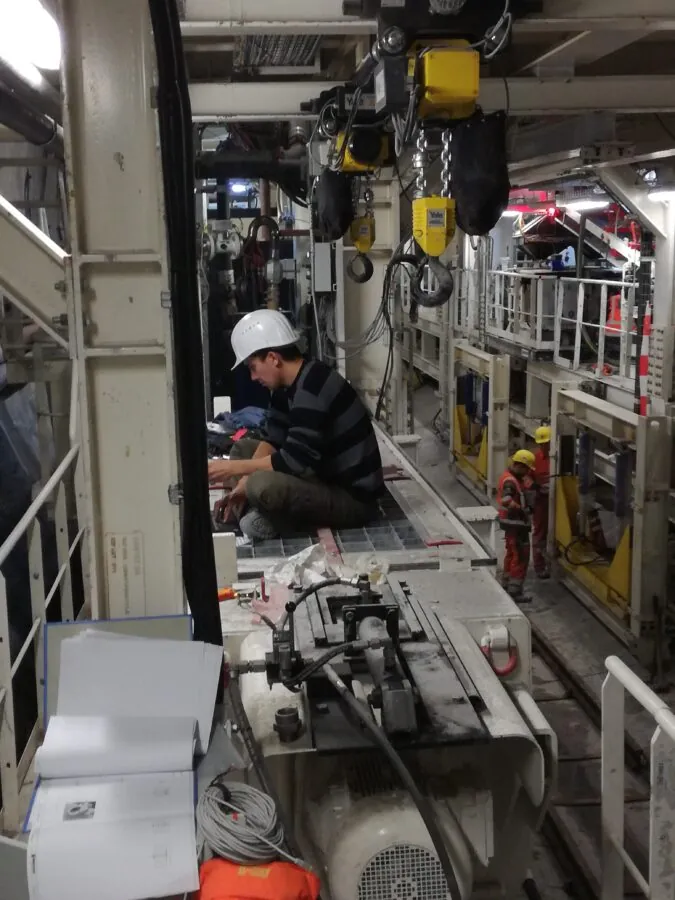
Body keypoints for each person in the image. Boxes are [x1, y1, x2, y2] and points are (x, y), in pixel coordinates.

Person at [208, 309, 384, 540]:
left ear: (273, 358)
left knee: (260, 484)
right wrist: (242, 480)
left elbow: (293, 461)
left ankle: (274, 518)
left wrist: (233, 470)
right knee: (242, 449)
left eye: (253, 367)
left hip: (353, 499)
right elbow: (273, 439)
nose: (253, 377)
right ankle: (255, 506)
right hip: (321, 474)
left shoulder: (313, 388)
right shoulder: (289, 385)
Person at [497, 449, 536, 602]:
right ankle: (515, 591)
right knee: (521, 556)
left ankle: (506, 583)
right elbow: (506, 500)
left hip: (510, 524)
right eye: (526, 469)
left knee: (511, 553)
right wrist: (521, 509)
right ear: (520, 466)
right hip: (516, 524)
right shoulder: (510, 481)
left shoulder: (510, 477)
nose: (527, 473)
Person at [532, 425, 551, 579]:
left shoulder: (558, 458)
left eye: (546, 444)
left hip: (556, 500)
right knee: (539, 533)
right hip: (541, 502)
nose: (544, 447)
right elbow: (526, 479)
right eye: (541, 444)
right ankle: (539, 566)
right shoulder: (535, 459)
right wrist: (536, 487)